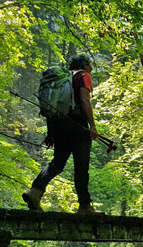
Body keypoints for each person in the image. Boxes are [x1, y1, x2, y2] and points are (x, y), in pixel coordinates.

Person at [22, 54, 103, 214]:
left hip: (59, 126)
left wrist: (51, 134)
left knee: (57, 163)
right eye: (90, 65)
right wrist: (92, 126)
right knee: (81, 167)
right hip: (78, 126)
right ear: (84, 65)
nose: (91, 69)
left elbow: (53, 107)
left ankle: (34, 192)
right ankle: (85, 206)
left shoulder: (60, 81)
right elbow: (84, 100)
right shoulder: (83, 76)